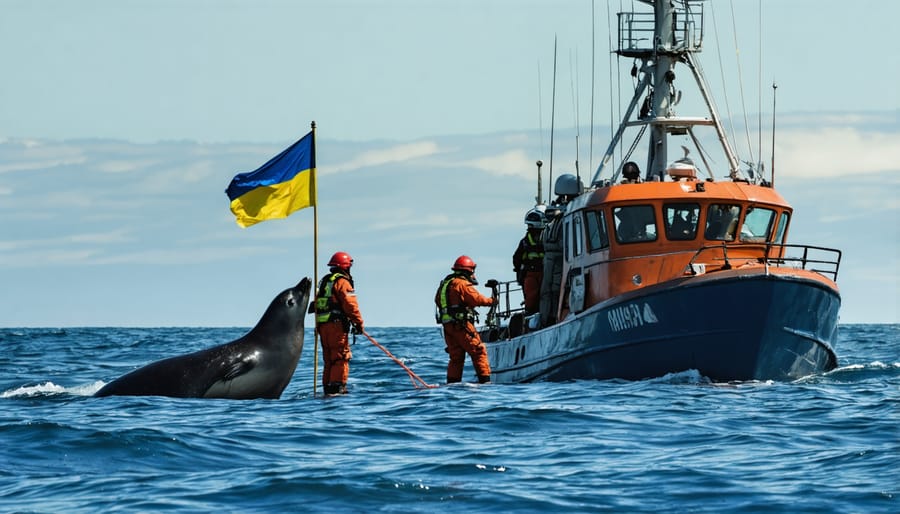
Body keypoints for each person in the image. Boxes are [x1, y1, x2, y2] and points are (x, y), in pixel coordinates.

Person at [434, 255, 496, 384]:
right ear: (468, 270)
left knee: (456, 357)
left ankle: (452, 384)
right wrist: (492, 301)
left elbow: (438, 300)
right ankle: (485, 383)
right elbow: (476, 299)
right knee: (478, 351)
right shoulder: (462, 284)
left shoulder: (445, 284)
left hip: (448, 327)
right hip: (461, 326)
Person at [314, 251, 364, 395]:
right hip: (336, 327)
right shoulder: (342, 282)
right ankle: (337, 389)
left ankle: (327, 389)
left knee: (329, 359)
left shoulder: (324, 282)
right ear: (345, 267)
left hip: (323, 327)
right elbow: (351, 305)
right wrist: (359, 323)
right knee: (341, 357)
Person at [513, 207, 545, 314]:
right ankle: (530, 316)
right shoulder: (525, 243)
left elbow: (516, 260)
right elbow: (516, 259)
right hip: (531, 274)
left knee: (543, 296)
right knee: (531, 298)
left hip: (542, 273)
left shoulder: (527, 242)